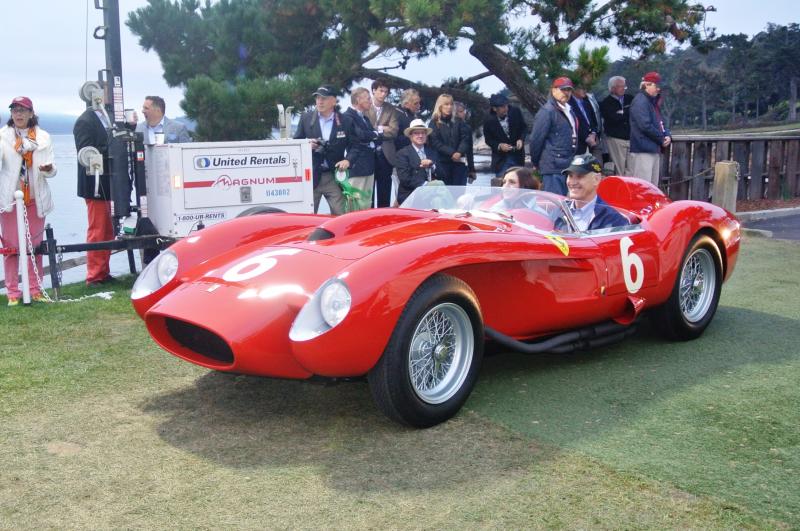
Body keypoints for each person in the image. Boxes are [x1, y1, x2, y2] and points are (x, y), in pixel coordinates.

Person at [0, 97, 56, 305]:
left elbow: (52, 168)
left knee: (36, 247)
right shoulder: (3, 136)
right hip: (10, 200)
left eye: (23, 110)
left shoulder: (43, 137)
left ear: (31, 113)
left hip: (35, 198)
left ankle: (35, 289)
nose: (19, 114)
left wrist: (49, 169)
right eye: (15, 110)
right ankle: (13, 292)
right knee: (11, 248)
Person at [74, 91, 115, 285]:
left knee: (108, 230)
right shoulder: (85, 121)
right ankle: (95, 275)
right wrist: (112, 149)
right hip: (95, 183)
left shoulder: (109, 117)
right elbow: (85, 150)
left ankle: (104, 271)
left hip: (110, 181)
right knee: (98, 229)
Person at [293, 85, 350, 215]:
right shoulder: (306, 118)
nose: (320, 101)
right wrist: (307, 145)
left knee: (341, 217)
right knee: (307, 218)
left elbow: (355, 146)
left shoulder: (345, 120)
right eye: (317, 98)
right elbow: (296, 144)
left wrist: (348, 160)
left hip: (334, 176)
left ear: (334, 101)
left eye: (324, 98)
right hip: (312, 177)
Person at [529, 77, 578, 196]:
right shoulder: (547, 111)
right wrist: (536, 162)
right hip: (552, 166)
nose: (566, 93)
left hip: (566, 164)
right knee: (553, 204)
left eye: (569, 90)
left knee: (563, 205)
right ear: (553, 90)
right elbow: (536, 140)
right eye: (563, 89)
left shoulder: (569, 110)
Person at [558, 155, 628, 232]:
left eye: (580, 176)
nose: (573, 182)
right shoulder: (559, 210)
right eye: (570, 176)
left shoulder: (613, 219)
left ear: (597, 179)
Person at [629, 71, 671, 186]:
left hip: (652, 149)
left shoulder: (652, 102)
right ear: (647, 85)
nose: (658, 89)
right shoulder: (640, 101)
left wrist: (667, 135)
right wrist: (662, 139)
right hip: (643, 150)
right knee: (643, 188)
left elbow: (660, 121)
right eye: (656, 86)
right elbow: (645, 126)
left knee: (652, 187)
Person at [340, 87, 379, 211]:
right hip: (357, 167)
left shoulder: (365, 118)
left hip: (369, 166)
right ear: (358, 100)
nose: (371, 102)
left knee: (366, 203)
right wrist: (375, 134)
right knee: (355, 204)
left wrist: (373, 135)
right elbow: (360, 135)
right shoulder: (347, 117)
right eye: (368, 98)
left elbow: (369, 136)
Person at [366, 78, 399, 208]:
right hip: (368, 154)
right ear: (373, 91)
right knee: (369, 193)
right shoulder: (366, 107)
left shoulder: (391, 109)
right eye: (381, 91)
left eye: (386, 92)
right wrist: (382, 128)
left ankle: (383, 220)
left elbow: (394, 131)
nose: (383, 94)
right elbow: (364, 130)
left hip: (386, 156)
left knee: (384, 192)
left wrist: (375, 129)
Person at [427, 94, 470, 186]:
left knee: (459, 194)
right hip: (442, 164)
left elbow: (465, 139)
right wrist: (452, 153)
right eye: (446, 104)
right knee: (445, 192)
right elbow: (435, 142)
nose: (449, 107)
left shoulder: (458, 121)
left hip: (459, 163)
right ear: (440, 106)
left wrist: (459, 152)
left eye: (451, 104)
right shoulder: (434, 122)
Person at [483, 93, 528, 178]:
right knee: (502, 185)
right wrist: (499, 146)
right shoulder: (488, 120)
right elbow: (488, 140)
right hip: (501, 160)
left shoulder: (515, 111)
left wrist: (521, 139)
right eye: (503, 107)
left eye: (507, 105)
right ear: (494, 109)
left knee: (520, 183)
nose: (506, 109)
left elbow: (524, 128)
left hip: (518, 156)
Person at [395, 119, 438, 205]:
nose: (420, 136)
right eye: (416, 133)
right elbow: (405, 178)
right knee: (439, 186)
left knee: (438, 199)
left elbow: (442, 173)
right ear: (410, 136)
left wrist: (432, 165)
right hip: (411, 193)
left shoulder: (432, 152)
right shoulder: (403, 153)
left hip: (432, 193)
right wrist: (426, 185)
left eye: (423, 133)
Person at [600, 75, 633, 175]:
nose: (623, 88)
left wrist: (622, 112)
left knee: (631, 169)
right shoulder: (606, 102)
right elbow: (613, 118)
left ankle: (629, 189)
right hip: (615, 139)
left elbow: (635, 113)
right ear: (612, 88)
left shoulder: (630, 98)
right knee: (619, 169)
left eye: (624, 86)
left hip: (631, 138)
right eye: (620, 86)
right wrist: (627, 111)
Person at [570, 82, 603, 161]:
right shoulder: (569, 105)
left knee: (597, 167)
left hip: (593, 139)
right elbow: (574, 124)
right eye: (582, 89)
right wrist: (586, 138)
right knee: (583, 169)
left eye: (586, 89)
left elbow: (593, 121)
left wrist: (593, 134)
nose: (585, 91)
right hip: (580, 143)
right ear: (574, 90)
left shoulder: (586, 103)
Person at [454, 101, 476, 182]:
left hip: (460, 165)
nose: (463, 113)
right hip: (459, 165)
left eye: (463, 111)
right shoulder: (466, 128)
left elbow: (469, 150)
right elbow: (469, 151)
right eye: (460, 111)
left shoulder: (467, 127)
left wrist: (471, 169)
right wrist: (472, 169)